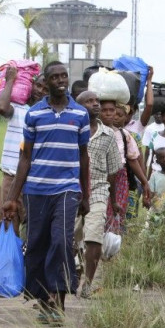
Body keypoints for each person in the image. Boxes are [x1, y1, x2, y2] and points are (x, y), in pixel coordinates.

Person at [2, 61, 90, 325]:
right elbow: (25, 158)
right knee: (38, 245)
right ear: (46, 82)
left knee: (61, 242)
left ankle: (58, 301)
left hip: (67, 190)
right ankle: (43, 303)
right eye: (55, 77)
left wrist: (85, 193)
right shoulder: (34, 114)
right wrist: (12, 198)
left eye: (64, 76)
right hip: (36, 190)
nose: (61, 80)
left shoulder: (80, 114)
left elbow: (83, 158)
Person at [73, 91, 123, 299]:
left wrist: (112, 200)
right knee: (72, 238)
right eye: (89, 101)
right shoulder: (72, 130)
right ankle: (75, 272)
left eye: (96, 101)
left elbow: (113, 170)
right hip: (72, 191)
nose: (95, 105)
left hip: (98, 191)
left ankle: (88, 283)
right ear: (79, 106)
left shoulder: (108, 135)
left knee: (94, 236)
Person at [0, 68, 46, 236]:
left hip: (35, 177)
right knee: (8, 225)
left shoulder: (48, 115)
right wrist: (10, 80)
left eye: (46, 89)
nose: (40, 91)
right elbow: (1, 107)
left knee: (32, 226)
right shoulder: (18, 109)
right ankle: (12, 261)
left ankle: (27, 260)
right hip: (11, 175)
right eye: (38, 85)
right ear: (31, 85)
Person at [100, 100, 151, 234]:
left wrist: (145, 182)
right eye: (112, 113)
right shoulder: (96, 131)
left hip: (119, 179)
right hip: (100, 176)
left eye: (119, 115)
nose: (115, 117)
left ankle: (114, 242)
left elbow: (133, 159)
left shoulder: (125, 135)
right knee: (101, 211)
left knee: (117, 209)